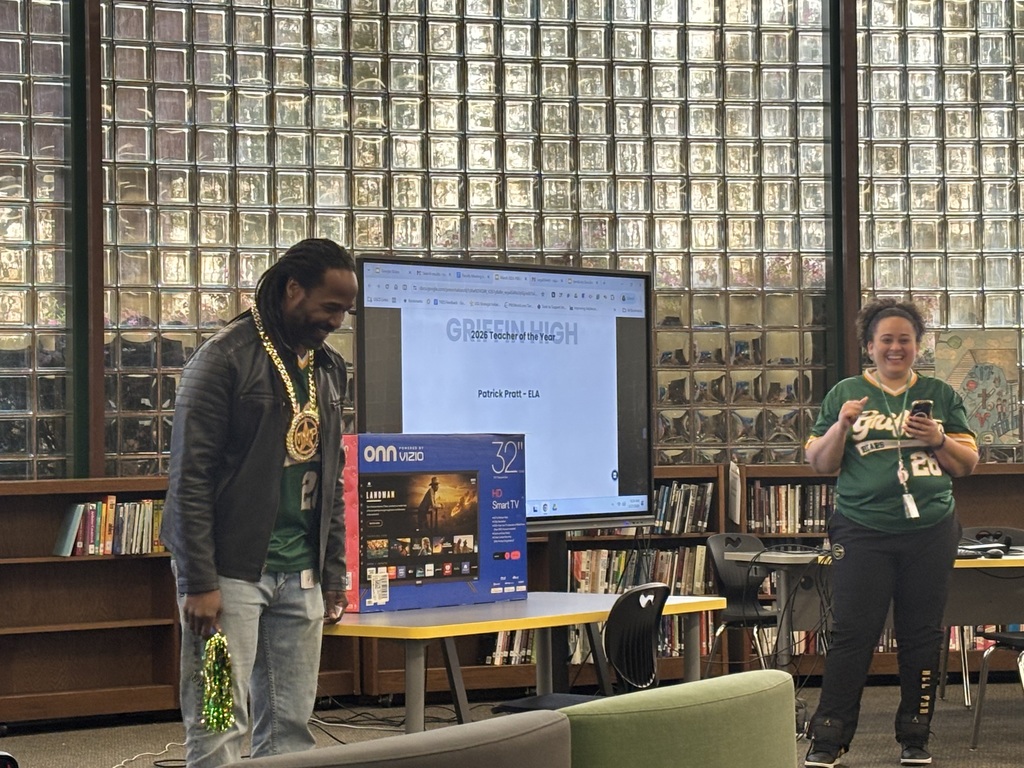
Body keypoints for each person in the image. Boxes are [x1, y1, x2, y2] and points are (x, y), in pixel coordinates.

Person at [160, 238, 358, 768]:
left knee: (293, 726)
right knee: (220, 721)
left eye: (345, 310)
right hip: (229, 579)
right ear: (293, 289)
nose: (337, 321)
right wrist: (197, 582)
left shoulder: (328, 370)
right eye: (330, 307)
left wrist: (333, 573)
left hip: (303, 578)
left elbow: (332, 479)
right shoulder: (222, 360)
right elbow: (189, 480)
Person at [803, 298, 978, 768]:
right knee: (852, 634)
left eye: (905, 339)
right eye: (886, 340)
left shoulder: (941, 394)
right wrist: (842, 424)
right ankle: (829, 737)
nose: (896, 347)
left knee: (921, 634)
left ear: (917, 346)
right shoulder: (846, 392)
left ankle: (915, 736)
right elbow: (821, 462)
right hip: (861, 530)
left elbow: (967, 464)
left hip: (931, 530)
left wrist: (937, 439)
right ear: (869, 346)